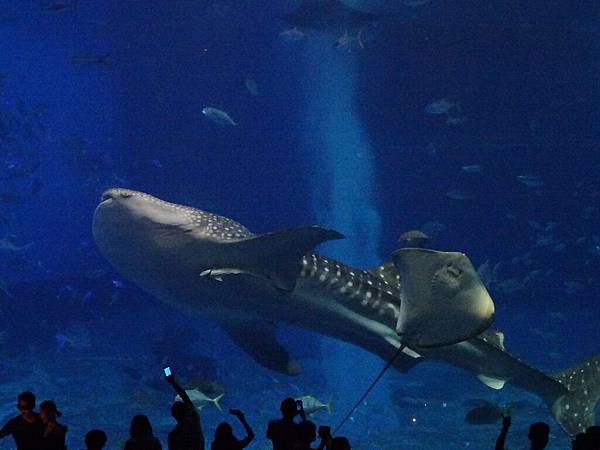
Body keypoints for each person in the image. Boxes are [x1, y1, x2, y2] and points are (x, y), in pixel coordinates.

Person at [165, 367, 205, 450]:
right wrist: (173, 382)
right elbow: (185, 397)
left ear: (173, 415)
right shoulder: (194, 423)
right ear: (187, 411)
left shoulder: (173, 435)